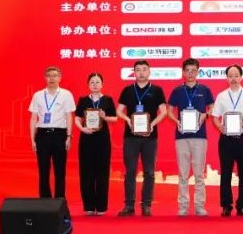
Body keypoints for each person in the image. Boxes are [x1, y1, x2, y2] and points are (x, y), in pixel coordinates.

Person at [115, 60, 167, 217]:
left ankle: (146, 204)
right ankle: (129, 205)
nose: (141, 72)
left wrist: (152, 125)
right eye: (138, 70)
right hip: (130, 137)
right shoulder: (127, 90)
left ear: (149, 72)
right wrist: (127, 120)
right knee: (130, 171)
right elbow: (119, 111)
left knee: (149, 172)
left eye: (144, 69)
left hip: (150, 137)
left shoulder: (157, 90)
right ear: (134, 72)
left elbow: (163, 111)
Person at [167, 58, 215, 216]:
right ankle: (183, 206)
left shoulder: (205, 89)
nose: (190, 73)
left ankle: (200, 206)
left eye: (193, 70)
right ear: (183, 72)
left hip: (200, 136)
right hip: (181, 136)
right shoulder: (177, 91)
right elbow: (169, 110)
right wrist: (176, 121)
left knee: (199, 174)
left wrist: (205, 114)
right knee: (183, 174)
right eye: (187, 70)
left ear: (198, 72)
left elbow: (212, 107)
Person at [211, 64, 243, 217]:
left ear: (241, 77)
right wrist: (219, 126)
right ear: (226, 78)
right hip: (226, 139)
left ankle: (242, 206)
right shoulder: (221, 96)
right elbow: (215, 117)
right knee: (225, 173)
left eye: (236, 76)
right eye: (230, 76)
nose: (233, 79)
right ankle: (226, 205)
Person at [28, 66, 76, 199]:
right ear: (45, 78)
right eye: (49, 76)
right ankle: (45, 201)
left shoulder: (66, 94)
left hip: (60, 135)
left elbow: (69, 116)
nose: (52, 78)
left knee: (60, 170)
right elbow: (33, 118)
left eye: (55, 76)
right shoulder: (38, 95)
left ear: (60, 78)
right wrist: (32, 140)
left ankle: (60, 200)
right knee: (43, 170)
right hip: (42, 135)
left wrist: (68, 137)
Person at [74, 73, 117, 216]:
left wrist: (105, 117)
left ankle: (101, 206)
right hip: (86, 138)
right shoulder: (83, 100)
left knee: (102, 173)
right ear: (88, 84)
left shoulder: (107, 100)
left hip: (102, 140)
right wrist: (82, 129)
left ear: (102, 84)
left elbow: (115, 118)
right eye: (92, 82)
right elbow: (77, 118)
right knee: (86, 172)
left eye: (97, 82)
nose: (95, 84)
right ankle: (89, 206)